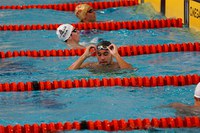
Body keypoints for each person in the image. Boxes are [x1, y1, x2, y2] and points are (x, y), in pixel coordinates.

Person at [68, 41, 134, 71]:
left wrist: (116, 55)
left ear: (112, 54)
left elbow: (129, 70)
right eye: (99, 54)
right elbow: (70, 70)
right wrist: (84, 56)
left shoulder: (119, 65)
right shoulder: (91, 65)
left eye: (106, 54)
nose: (102, 58)